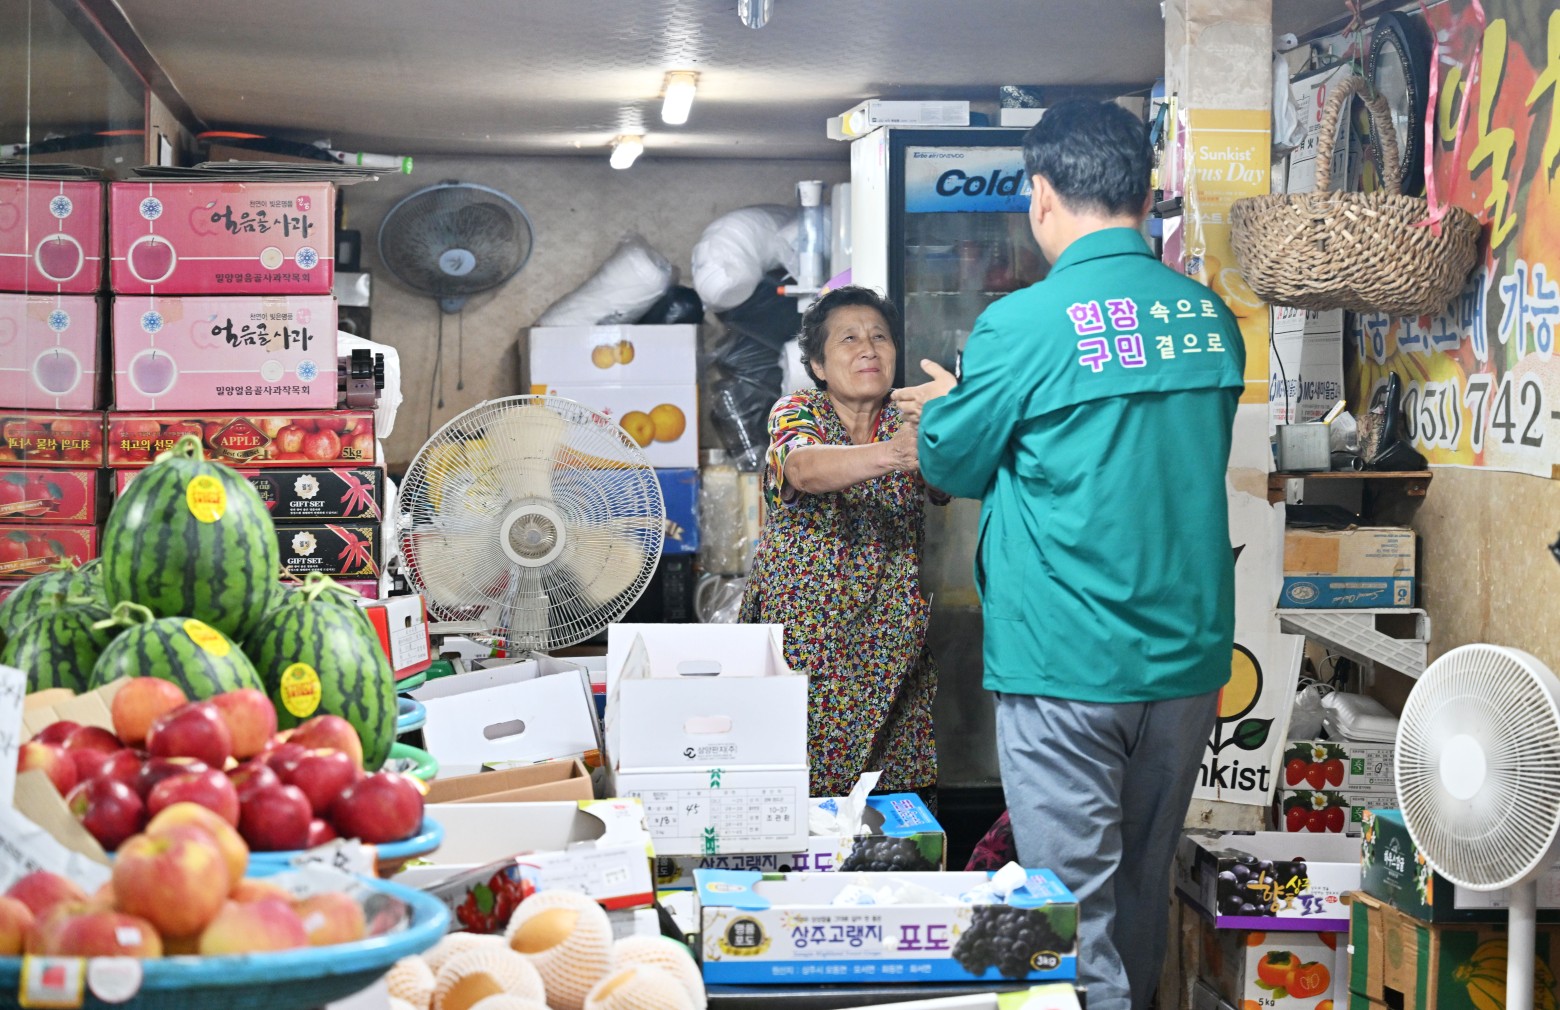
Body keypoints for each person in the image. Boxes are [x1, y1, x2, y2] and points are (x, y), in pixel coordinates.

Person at [893, 100, 1245, 1010]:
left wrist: (949, 405)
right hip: (1186, 657)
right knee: (1139, 890)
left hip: (1066, 656)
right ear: (1145, 197)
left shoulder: (1024, 324)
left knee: (1070, 911)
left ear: (1041, 194)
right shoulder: (1209, 318)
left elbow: (951, 461)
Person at [738, 285, 940, 804]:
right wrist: (896, 453)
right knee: (801, 796)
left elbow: (950, 482)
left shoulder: (910, 416)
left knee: (897, 805)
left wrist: (955, 422)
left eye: (880, 337)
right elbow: (802, 469)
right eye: (849, 338)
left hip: (891, 650)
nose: (868, 348)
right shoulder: (797, 410)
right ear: (818, 365)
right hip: (806, 647)